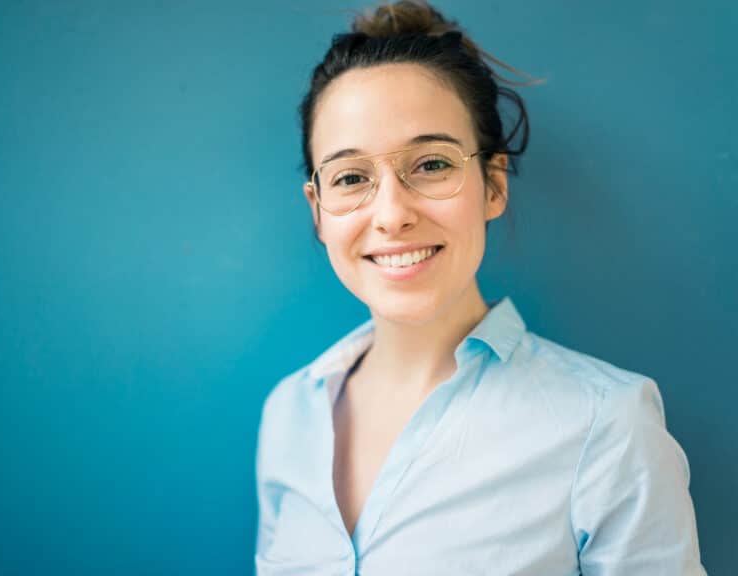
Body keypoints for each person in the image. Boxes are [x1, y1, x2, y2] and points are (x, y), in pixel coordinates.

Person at [254, 1, 706, 574]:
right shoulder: (288, 415)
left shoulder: (608, 424)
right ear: (318, 211)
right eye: (351, 177)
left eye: (432, 165)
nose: (391, 215)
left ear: (493, 185)